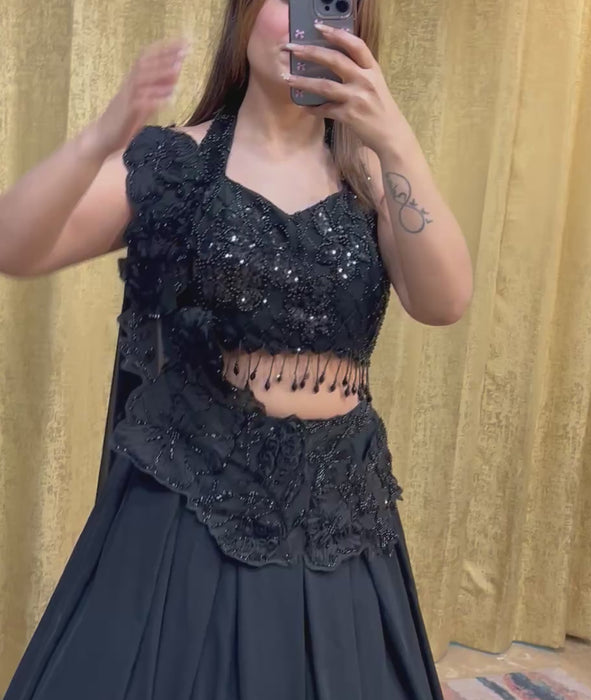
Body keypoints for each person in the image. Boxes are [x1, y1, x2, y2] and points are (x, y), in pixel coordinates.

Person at [0, 0, 472, 697]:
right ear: (245, 13)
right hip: (188, 509)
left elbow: (443, 302)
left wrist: (397, 142)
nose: (307, 22)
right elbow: (13, 245)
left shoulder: (374, 178)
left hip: (341, 518)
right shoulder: (177, 162)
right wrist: (98, 138)